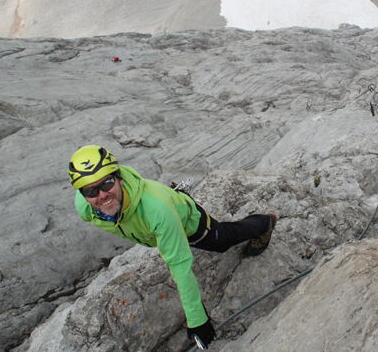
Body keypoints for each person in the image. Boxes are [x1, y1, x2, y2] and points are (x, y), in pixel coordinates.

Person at [68, 145, 277, 349]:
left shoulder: (157, 210)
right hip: (161, 225)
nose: (102, 195)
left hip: (189, 222)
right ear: (83, 194)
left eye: (107, 183)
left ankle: (263, 222)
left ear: (119, 179)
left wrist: (197, 318)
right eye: (91, 190)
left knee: (222, 240)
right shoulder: (86, 207)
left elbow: (180, 265)